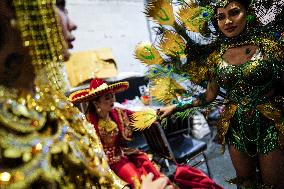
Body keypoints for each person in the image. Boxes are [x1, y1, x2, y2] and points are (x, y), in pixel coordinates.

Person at [0, 0, 172, 188]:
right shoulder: (9, 126)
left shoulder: (54, 106)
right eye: (59, 5)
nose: (73, 24)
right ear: (10, 8)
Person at [154, 0, 284, 188]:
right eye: (221, 17)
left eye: (234, 13)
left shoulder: (269, 47)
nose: (227, 21)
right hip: (235, 127)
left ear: (247, 13)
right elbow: (208, 96)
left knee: (274, 185)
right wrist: (175, 106)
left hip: (269, 124)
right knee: (246, 183)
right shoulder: (216, 57)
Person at [69, 78, 224, 189]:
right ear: (96, 103)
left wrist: (157, 112)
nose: (112, 100)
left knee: (144, 176)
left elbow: (138, 115)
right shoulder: (87, 123)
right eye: (107, 98)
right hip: (102, 164)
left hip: (120, 157)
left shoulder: (117, 113)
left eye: (113, 96)